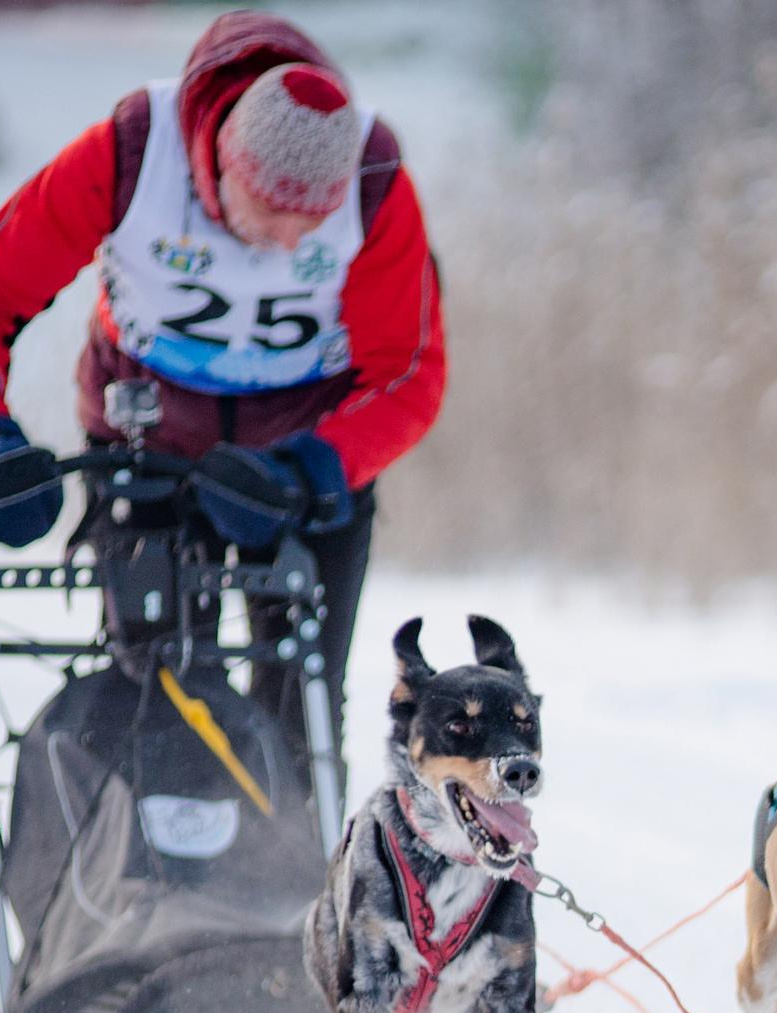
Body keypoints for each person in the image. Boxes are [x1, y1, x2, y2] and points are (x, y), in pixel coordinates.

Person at [0, 10, 446, 793]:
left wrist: (315, 469)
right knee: (159, 696)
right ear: (220, 162)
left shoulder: (374, 185)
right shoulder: (133, 153)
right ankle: (152, 892)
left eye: (309, 226)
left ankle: (292, 896)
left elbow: (409, 375)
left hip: (292, 461)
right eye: (268, 210)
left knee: (299, 710)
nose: (283, 241)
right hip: (146, 447)